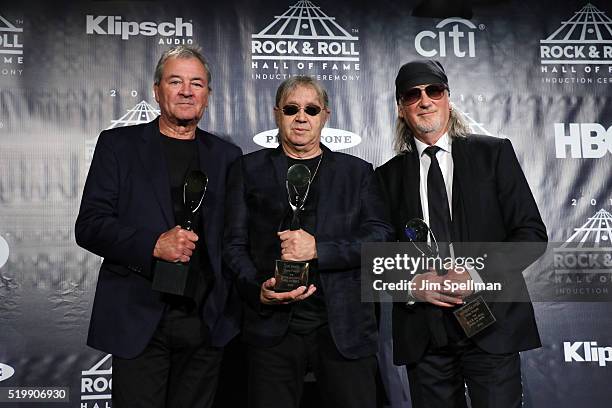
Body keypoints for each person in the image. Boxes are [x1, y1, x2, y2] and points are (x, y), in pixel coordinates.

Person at [75, 45, 242, 408]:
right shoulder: (119, 145)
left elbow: (234, 237)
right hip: (139, 314)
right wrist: (153, 244)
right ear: (156, 89)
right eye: (176, 81)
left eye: (197, 83)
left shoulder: (227, 156)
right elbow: (89, 225)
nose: (187, 91)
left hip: (204, 321)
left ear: (208, 95)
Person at [375, 60, 547, 408]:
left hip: (491, 323)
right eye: (413, 94)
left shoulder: (493, 153)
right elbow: (375, 254)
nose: (425, 100)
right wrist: (411, 285)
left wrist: (476, 273)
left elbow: (531, 234)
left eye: (433, 90)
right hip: (424, 333)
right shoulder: (385, 178)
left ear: (448, 99)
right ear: (401, 109)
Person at [223, 76, 393, 408]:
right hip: (272, 328)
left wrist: (320, 250)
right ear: (277, 114)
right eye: (292, 108)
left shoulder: (356, 172)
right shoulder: (248, 169)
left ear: (325, 115)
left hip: (343, 327)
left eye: (311, 109)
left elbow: (381, 238)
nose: (302, 117)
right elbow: (233, 244)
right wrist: (258, 288)